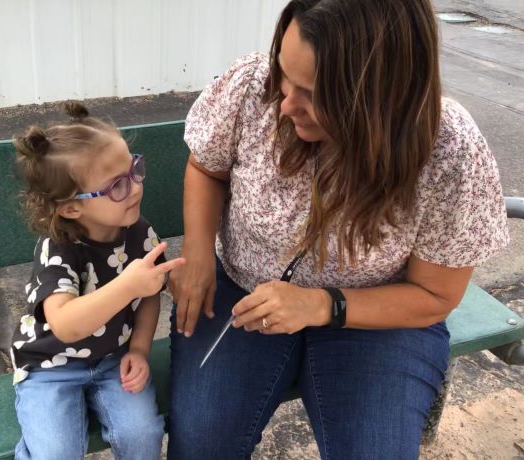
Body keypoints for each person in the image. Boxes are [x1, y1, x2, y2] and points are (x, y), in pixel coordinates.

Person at [167, 0, 509, 458]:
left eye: (311, 92)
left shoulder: (449, 149)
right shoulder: (255, 85)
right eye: (283, 73)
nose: (285, 103)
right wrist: (198, 254)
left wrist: (321, 304)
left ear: (384, 94)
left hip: (379, 317)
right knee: (203, 445)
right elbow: (206, 167)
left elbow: (435, 296)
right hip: (242, 292)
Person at [9, 102, 184, 460]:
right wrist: (129, 286)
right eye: (117, 185)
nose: (135, 187)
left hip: (113, 358)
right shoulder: (58, 248)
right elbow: (65, 325)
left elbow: (149, 296)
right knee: (55, 451)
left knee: (143, 434)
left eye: (134, 170)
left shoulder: (138, 231)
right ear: (73, 207)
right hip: (49, 366)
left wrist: (138, 349)